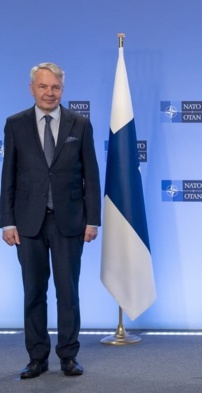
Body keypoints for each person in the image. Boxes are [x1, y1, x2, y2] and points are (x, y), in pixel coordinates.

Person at [1, 62, 101, 378]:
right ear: (32, 88)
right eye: (43, 86)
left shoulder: (80, 124)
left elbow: (92, 176)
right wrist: (7, 221)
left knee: (67, 292)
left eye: (55, 87)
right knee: (33, 292)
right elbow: (8, 177)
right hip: (27, 223)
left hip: (69, 222)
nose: (49, 93)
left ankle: (68, 357)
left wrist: (93, 219)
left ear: (62, 89)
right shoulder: (15, 124)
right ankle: (37, 358)